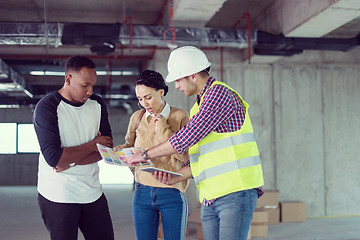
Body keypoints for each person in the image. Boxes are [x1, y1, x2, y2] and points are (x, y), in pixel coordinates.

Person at [123, 46, 265, 240]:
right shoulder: (200, 105)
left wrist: (145, 154)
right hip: (211, 194)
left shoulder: (218, 95)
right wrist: (178, 176)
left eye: (178, 80)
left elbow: (183, 139)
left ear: (192, 75)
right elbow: (202, 157)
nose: (177, 86)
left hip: (235, 191)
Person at [33, 55, 115, 240]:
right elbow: (54, 158)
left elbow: (106, 150)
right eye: (85, 85)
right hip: (58, 194)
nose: (90, 91)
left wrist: (70, 162)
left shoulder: (97, 104)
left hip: (92, 191)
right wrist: (93, 144)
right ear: (68, 79)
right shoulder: (47, 107)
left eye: (93, 85)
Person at [113, 70, 190, 240]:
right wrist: (120, 151)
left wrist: (162, 127)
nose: (144, 104)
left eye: (148, 97)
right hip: (142, 191)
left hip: (172, 192)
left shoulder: (179, 116)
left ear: (161, 92)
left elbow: (186, 157)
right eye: (140, 99)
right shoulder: (137, 117)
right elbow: (130, 145)